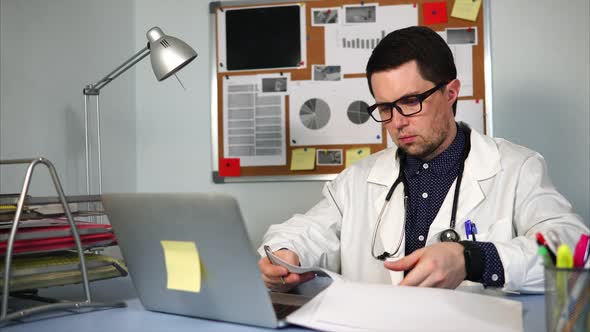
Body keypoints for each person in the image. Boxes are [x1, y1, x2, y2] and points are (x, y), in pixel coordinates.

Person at [257, 26, 588, 293]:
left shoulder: (516, 168)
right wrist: (286, 254)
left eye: (411, 101)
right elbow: (309, 231)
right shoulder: (357, 180)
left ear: (451, 92)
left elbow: (574, 248)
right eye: (385, 108)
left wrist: (473, 259)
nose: (397, 122)